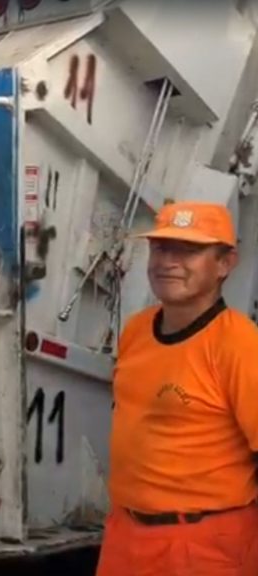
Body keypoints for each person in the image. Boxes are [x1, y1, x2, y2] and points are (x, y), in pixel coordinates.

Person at [96, 202, 258, 575]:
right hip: (125, 537)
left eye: (189, 250)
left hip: (204, 547)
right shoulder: (137, 331)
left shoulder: (239, 346)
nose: (168, 261)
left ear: (225, 264)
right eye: (161, 247)